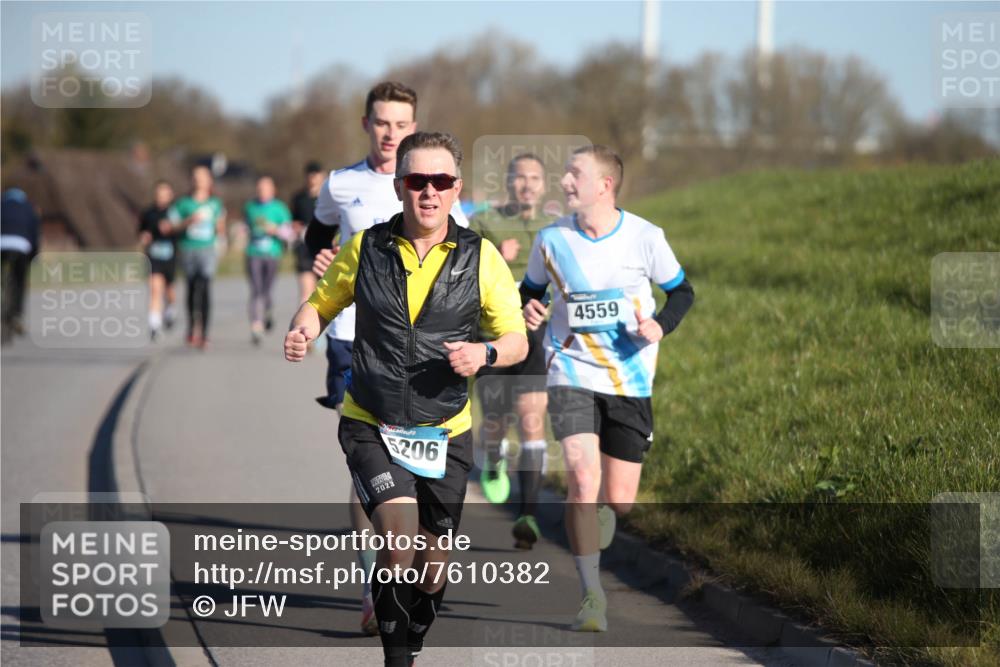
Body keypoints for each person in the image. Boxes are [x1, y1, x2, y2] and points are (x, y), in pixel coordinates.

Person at [286, 132, 527, 666]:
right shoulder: (365, 248)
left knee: (432, 565)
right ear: (399, 187)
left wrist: (485, 354)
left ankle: (412, 636)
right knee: (398, 541)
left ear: (456, 188)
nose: (429, 191)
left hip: (445, 427)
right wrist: (303, 330)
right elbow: (320, 303)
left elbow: (516, 339)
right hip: (371, 418)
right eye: (417, 180)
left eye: (440, 181)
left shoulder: (481, 258)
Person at [303, 81, 468, 636]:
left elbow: (463, 257)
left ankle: (400, 559)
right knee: (367, 457)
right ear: (366, 124)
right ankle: (374, 580)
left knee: (408, 462)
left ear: (413, 126)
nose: (390, 132)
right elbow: (316, 236)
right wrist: (320, 259)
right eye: (381, 122)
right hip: (352, 338)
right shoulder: (341, 183)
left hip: (417, 351)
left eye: (400, 124)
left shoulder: (434, 183)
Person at [520, 145, 695, 632]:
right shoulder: (551, 239)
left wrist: (660, 325)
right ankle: (591, 594)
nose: (564, 182)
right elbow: (529, 294)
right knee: (581, 478)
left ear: (604, 185)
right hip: (570, 371)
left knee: (619, 500)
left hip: (629, 377)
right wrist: (528, 309)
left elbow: (682, 292)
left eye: (574, 174)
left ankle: (604, 516)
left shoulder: (645, 237)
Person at [469, 153, 556, 550]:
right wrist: (493, 258)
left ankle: (528, 515)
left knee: (531, 421)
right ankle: (492, 457)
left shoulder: (553, 229)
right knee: (496, 423)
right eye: (520, 178)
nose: (527, 185)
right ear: (508, 183)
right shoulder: (485, 222)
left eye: (534, 178)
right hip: (492, 336)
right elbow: (460, 273)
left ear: (544, 184)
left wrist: (548, 308)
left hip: (535, 335)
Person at [169, 165, 227, 349]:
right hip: (188, 249)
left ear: (209, 180)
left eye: (203, 177)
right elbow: (172, 225)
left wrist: (221, 238)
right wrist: (188, 221)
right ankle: (192, 327)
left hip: (207, 249)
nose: (199, 180)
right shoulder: (183, 203)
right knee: (192, 287)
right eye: (196, 177)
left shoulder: (215, 203)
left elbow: (220, 226)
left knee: (205, 286)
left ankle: (205, 333)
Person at [244, 174, 292, 345]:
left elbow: (288, 233)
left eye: (265, 188)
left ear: (273, 190)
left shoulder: (280, 208)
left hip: (272, 253)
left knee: (267, 290)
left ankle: (268, 311)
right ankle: (256, 326)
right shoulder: (250, 207)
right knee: (256, 289)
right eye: (260, 188)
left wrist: (275, 230)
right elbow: (245, 227)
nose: (262, 191)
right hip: (254, 253)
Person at [138, 180, 178, 341]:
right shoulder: (148, 213)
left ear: (170, 195)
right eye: (159, 194)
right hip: (154, 256)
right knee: (155, 289)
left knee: (169, 290)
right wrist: (144, 237)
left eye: (164, 194)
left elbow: (182, 232)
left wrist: (172, 228)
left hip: (171, 256)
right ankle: (154, 325)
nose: (161, 197)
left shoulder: (175, 212)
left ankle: (170, 309)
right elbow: (142, 231)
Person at [1, 188, 40, 345]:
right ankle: (17, 315)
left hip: (1, 245)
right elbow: (34, 234)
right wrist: (34, 256)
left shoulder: (1, 205)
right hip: (21, 246)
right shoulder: (29, 208)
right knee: (19, 281)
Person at [289, 161, 325, 307]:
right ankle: (304, 320)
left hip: (325, 249)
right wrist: (296, 227)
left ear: (322, 176)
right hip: (305, 249)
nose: (313, 179)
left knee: (326, 294)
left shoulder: (330, 197)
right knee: (306, 294)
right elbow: (293, 222)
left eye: (316, 175)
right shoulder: (298, 198)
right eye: (310, 176)